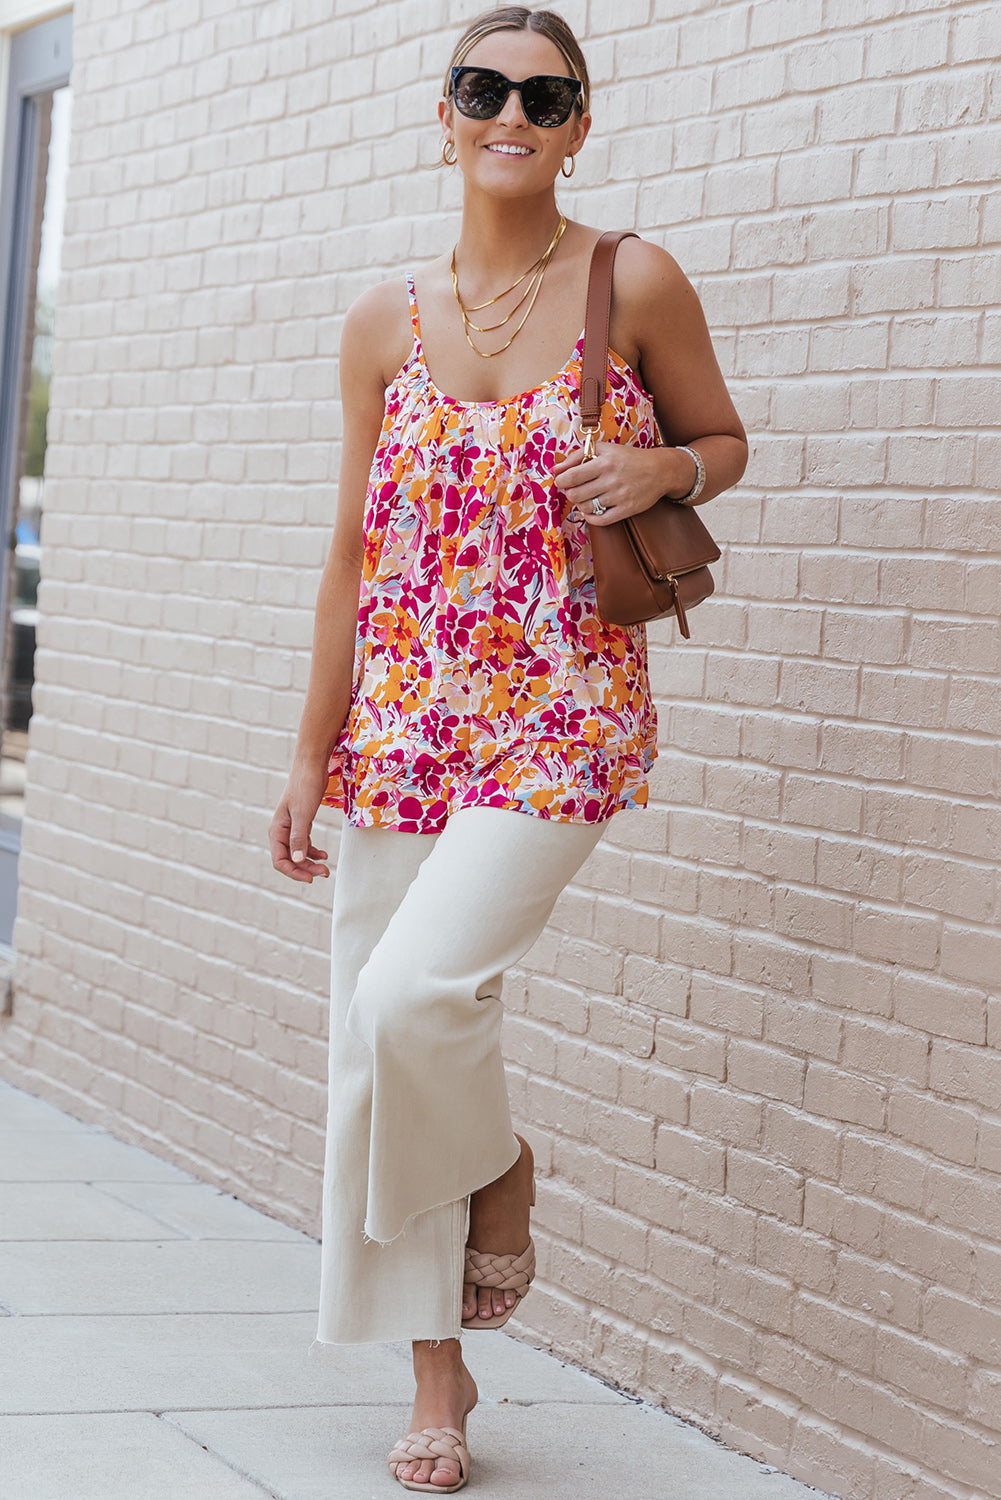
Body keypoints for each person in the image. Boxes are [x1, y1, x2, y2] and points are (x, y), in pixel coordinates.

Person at [269, 6, 747, 1492]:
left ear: (581, 121)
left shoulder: (632, 278)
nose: (510, 114)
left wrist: (663, 460)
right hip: (399, 722)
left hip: (561, 709)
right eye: (483, 89)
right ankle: (438, 1379)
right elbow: (352, 550)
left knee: (417, 998)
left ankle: (499, 1172)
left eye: (544, 95)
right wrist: (305, 755)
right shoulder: (381, 321)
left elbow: (724, 441)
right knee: (377, 1038)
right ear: (445, 110)